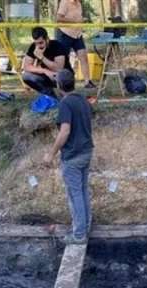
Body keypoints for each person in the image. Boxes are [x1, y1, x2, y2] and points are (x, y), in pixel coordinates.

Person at [43, 70, 94, 245]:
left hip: (73, 156)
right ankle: (85, 226)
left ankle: (79, 234)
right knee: (82, 190)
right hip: (86, 152)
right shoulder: (83, 100)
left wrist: (51, 154)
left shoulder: (66, 104)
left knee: (75, 194)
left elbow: (65, 131)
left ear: (59, 86)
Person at [56, 0, 97, 89]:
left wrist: (82, 21)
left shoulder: (78, 3)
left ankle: (87, 81)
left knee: (83, 57)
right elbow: (59, 18)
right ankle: (59, 81)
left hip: (77, 34)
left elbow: (79, 18)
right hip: (65, 34)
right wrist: (74, 21)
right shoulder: (64, 2)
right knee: (62, 59)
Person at [22, 27, 73, 97]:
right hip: (47, 75)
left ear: (47, 39)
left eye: (41, 43)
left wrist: (42, 57)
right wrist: (44, 71)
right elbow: (26, 67)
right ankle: (50, 95)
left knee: (62, 79)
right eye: (36, 43)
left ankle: (66, 95)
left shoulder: (57, 46)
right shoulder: (34, 47)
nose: (38, 46)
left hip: (63, 75)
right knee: (26, 76)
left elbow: (58, 68)